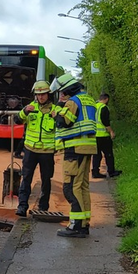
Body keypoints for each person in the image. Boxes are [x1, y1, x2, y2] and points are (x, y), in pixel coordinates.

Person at [50, 74, 98, 238]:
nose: (61, 95)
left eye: (62, 91)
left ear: (68, 89)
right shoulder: (88, 99)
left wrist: (56, 114)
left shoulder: (72, 102)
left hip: (74, 148)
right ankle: (83, 223)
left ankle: (76, 226)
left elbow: (65, 122)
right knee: (82, 186)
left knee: (71, 187)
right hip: (87, 146)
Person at [15, 81, 61, 217]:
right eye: (38, 94)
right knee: (26, 178)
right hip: (30, 150)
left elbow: (62, 127)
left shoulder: (55, 110)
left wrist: (57, 117)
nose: (41, 97)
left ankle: (43, 207)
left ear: (48, 95)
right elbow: (17, 120)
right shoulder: (30, 108)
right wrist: (24, 112)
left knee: (46, 180)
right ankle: (22, 206)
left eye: (43, 94)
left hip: (47, 152)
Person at [92, 92, 121, 178]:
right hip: (103, 136)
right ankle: (111, 171)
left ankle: (95, 172)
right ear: (106, 99)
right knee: (108, 154)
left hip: (94, 135)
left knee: (96, 155)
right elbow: (105, 121)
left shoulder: (94, 107)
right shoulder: (104, 108)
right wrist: (111, 131)